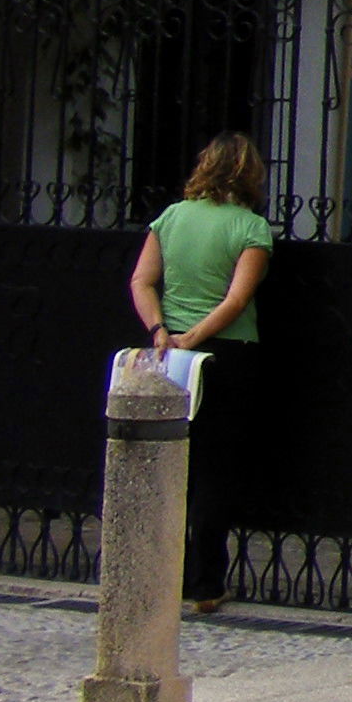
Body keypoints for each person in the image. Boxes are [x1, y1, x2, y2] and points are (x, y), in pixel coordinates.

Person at [128, 132, 274, 612]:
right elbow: (237, 299)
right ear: (250, 174)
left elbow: (142, 280)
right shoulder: (251, 228)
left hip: (168, 355)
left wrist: (161, 331)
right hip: (227, 355)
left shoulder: (170, 217)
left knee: (169, 465)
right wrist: (198, 336)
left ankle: (154, 576)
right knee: (215, 470)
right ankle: (206, 583)